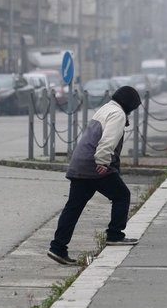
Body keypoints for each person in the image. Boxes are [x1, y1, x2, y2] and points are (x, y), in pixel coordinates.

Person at [47, 85, 143, 265]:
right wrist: (102, 161)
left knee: (73, 208)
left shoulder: (106, 108)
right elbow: (108, 140)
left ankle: (57, 248)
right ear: (129, 104)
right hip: (94, 165)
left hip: (80, 163)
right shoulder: (118, 114)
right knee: (122, 195)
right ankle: (115, 235)